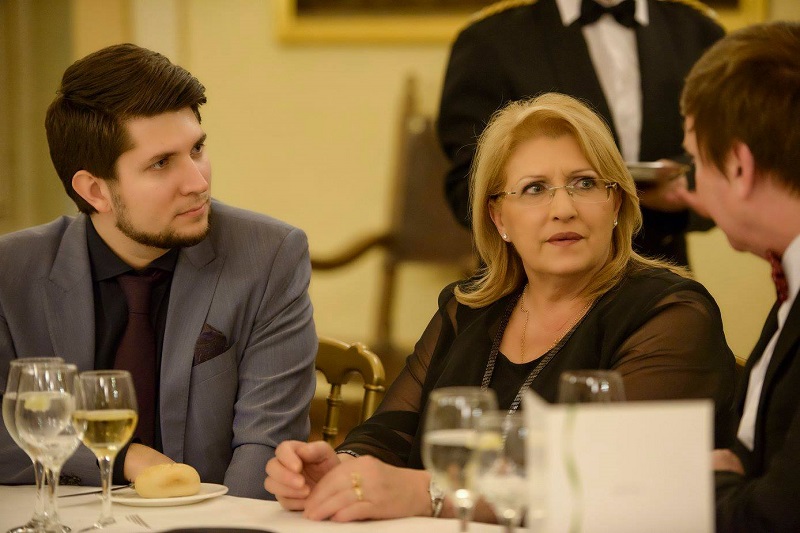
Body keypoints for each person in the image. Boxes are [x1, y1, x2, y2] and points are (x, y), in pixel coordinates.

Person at [264, 93, 735, 522]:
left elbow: (611, 486)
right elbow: (393, 430)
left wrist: (429, 493)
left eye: (585, 183)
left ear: (615, 203)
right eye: (534, 189)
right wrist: (340, 468)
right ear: (498, 218)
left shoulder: (671, 315)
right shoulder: (467, 308)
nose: (563, 208)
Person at [0, 43, 317, 500]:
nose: (198, 182)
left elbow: (265, 446)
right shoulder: (12, 272)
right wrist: (124, 456)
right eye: (161, 163)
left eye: (198, 149)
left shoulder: (269, 256)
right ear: (95, 190)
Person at [437, 0, 724, 267]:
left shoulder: (697, 32)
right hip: (528, 285)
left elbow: (730, 160)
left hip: (661, 272)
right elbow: (469, 184)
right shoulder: (490, 41)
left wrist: (686, 191)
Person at [677, 22, 800, 533]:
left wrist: (710, 481)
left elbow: (775, 518)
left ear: (738, 165)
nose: (692, 183)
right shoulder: (788, 277)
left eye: (694, 159)